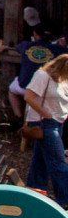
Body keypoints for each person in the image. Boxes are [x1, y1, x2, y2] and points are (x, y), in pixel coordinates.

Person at [26, 52, 68, 206]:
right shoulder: (42, 76)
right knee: (59, 163)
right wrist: (46, 115)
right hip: (45, 123)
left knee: (41, 162)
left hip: (57, 123)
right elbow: (28, 96)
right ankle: (65, 200)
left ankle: (34, 193)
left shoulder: (62, 79)